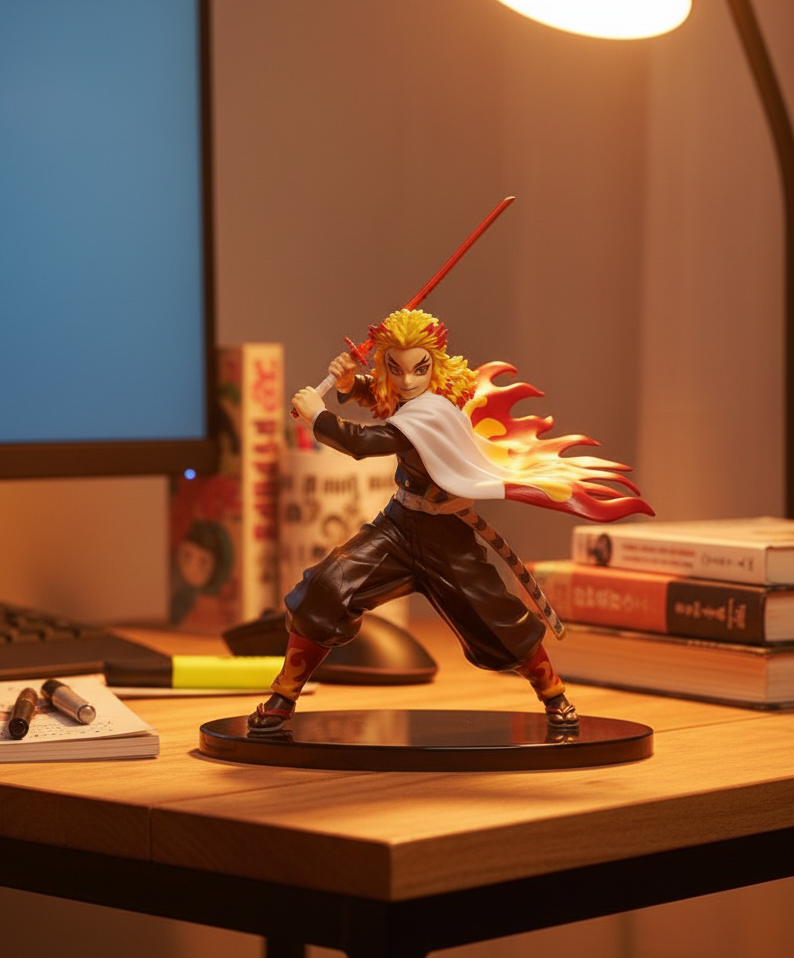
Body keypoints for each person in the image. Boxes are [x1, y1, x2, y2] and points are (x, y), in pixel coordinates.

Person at [248, 309, 653, 733]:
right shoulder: (409, 400)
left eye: (418, 369)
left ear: (435, 366)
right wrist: (352, 384)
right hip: (398, 527)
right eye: (395, 368)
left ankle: (554, 694)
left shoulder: (434, 411)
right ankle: (283, 697)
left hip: (445, 539)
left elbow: (367, 442)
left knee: (497, 619)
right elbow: (387, 399)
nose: (407, 380)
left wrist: (318, 416)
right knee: (326, 588)